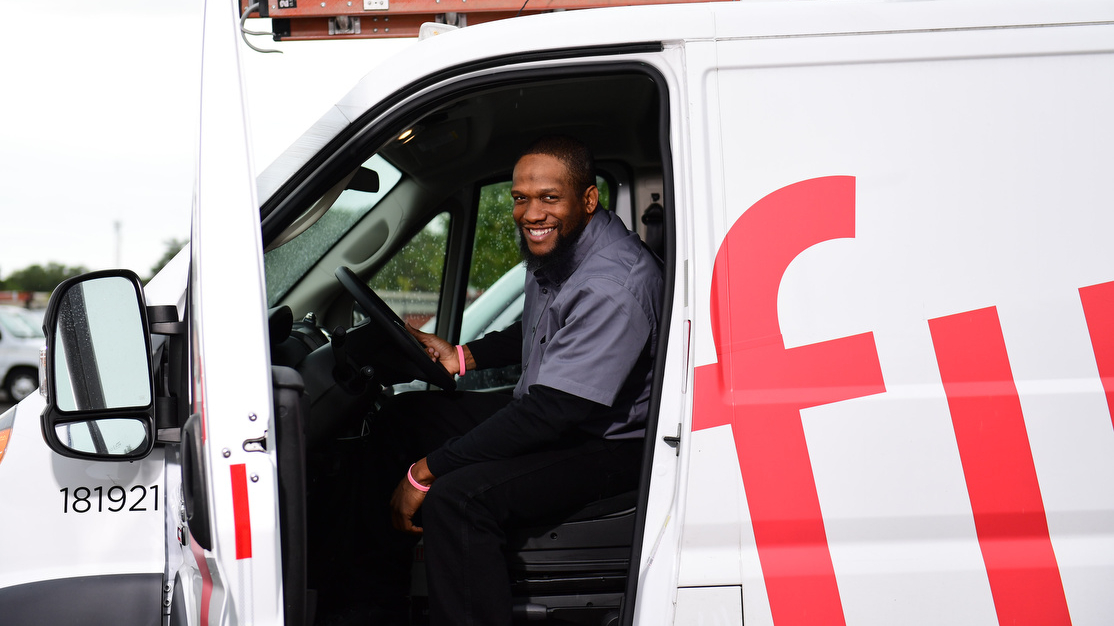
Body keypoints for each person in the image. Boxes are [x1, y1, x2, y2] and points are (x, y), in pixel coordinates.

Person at [376, 135, 663, 625]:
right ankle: (370, 598)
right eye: (520, 198)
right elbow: (542, 328)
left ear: (588, 199)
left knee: (457, 498)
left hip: (609, 443)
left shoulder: (614, 283)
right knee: (405, 418)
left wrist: (424, 472)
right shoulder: (561, 247)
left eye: (549, 198)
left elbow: (551, 414)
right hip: (560, 414)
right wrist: (464, 355)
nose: (531, 213)